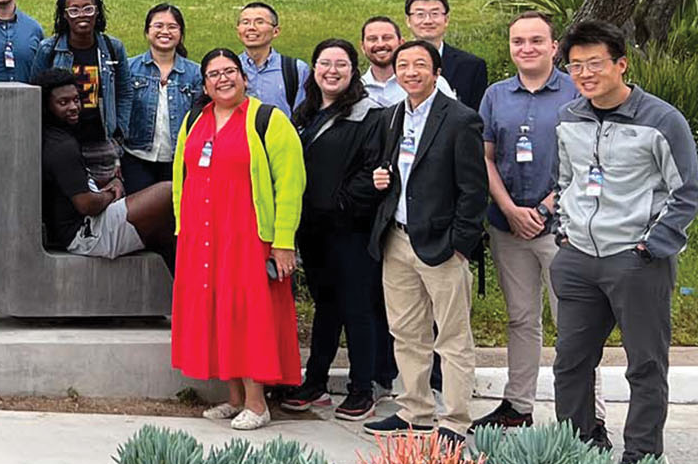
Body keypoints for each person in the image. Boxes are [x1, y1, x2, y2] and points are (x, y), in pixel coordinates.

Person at [549, 19, 698, 464]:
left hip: (635, 260)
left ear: (621, 64)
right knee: (570, 363)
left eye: (594, 64)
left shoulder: (661, 120)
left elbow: (686, 192)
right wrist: (563, 230)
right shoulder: (568, 118)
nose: (585, 74)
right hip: (577, 258)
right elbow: (565, 180)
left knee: (645, 365)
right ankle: (575, 449)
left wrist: (652, 247)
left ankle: (641, 457)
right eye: (576, 66)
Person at [475, 12, 602, 430]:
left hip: (564, 229)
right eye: (517, 41)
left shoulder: (577, 93)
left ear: (554, 47)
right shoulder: (496, 95)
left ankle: (587, 415)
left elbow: (588, 162)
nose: (525, 48)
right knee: (521, 319)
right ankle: (518, 404)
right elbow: (486, 157)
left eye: (535, 40)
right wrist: (510, 209)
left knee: (574, 323)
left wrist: (546, 208)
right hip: (508, 227)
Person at [169, 48, 305, 431]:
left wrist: (283, 242)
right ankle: (233, 398)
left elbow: (290, 186)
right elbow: (181, 176)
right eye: (213, 74)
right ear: (205, 84)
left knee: (248, 317)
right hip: (203, 236)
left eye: (230, 71)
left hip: (248, 237)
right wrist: (184, 228)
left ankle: (258, 403)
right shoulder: (195, 119)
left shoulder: (268, 120)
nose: (222, 79)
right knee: (216, 312)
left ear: (244, 77)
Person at [360, 40, 486, 441]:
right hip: (397, 240)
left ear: (436, 72)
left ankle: (456, 419)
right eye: (403, 65)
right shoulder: (392, 116)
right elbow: (393, 169)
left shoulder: (459, 119)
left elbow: (473, 189)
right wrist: (382, 179)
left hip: (442, 245)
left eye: (419, 64)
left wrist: (461, 243)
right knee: (407, 331)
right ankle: (414, 409)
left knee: (451, 336)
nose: (410, 72)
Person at [279, 40, 391, 421]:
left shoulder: (371, 115)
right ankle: (315, 381)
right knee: (326, 305)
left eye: (340, 64)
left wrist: (341, 203)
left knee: (358, 307)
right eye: (324, 63)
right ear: (313, 69)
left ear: (353, 70)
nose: (332, 70)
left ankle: (363, 388)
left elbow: (375, 172)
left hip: (352, 230)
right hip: (313, 229)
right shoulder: (305, 113)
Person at [34, 69, 174, 262]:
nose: (74, 107)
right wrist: (112, 192)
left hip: (84, 224)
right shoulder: (61, 147)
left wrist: (110, 182)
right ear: (46, 106)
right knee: (168, 192)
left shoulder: (56, 135)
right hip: (84, 234)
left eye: (76, 99)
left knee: (167, 229)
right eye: (63, 102)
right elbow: (86, 205)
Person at [29, 0, 130, 140]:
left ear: (97, 11)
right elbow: (36, 95)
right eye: (74, 10)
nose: (82, 15)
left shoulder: (113, 48)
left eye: (88, 9)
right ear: (65, 15)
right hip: (61, 139)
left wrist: (119, 131)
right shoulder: (48, 49)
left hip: (102, 137)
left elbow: (124, 92)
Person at [119, 3, 201, 192]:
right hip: (136, 158)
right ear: (147, 32)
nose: (165, 31)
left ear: (181, 33)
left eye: (172, 27)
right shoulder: (129, 69)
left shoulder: (195, 73)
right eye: (158, 26)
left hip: (179, 160)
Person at [406, 0, 488, 109]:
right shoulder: (396, 64)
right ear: (408, 21)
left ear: (446, 19)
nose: (428, 21)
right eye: (420, 14)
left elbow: (476, 117)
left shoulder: (472, 66)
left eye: (435, 14)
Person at [360, 15, 457, 107]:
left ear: (401, 43)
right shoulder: (357, 88)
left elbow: (455, 117)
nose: (380, 44)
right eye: (372, 39)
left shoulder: (433, 82)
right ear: (363, 47)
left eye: (387, 38)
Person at [233, 2, 308, 114]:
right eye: (245, 22)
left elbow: (303, 116)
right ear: (238, 31)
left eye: (260, 22)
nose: (251, 28)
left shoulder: (296, 70)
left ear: (276, 31)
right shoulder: (230, 69)